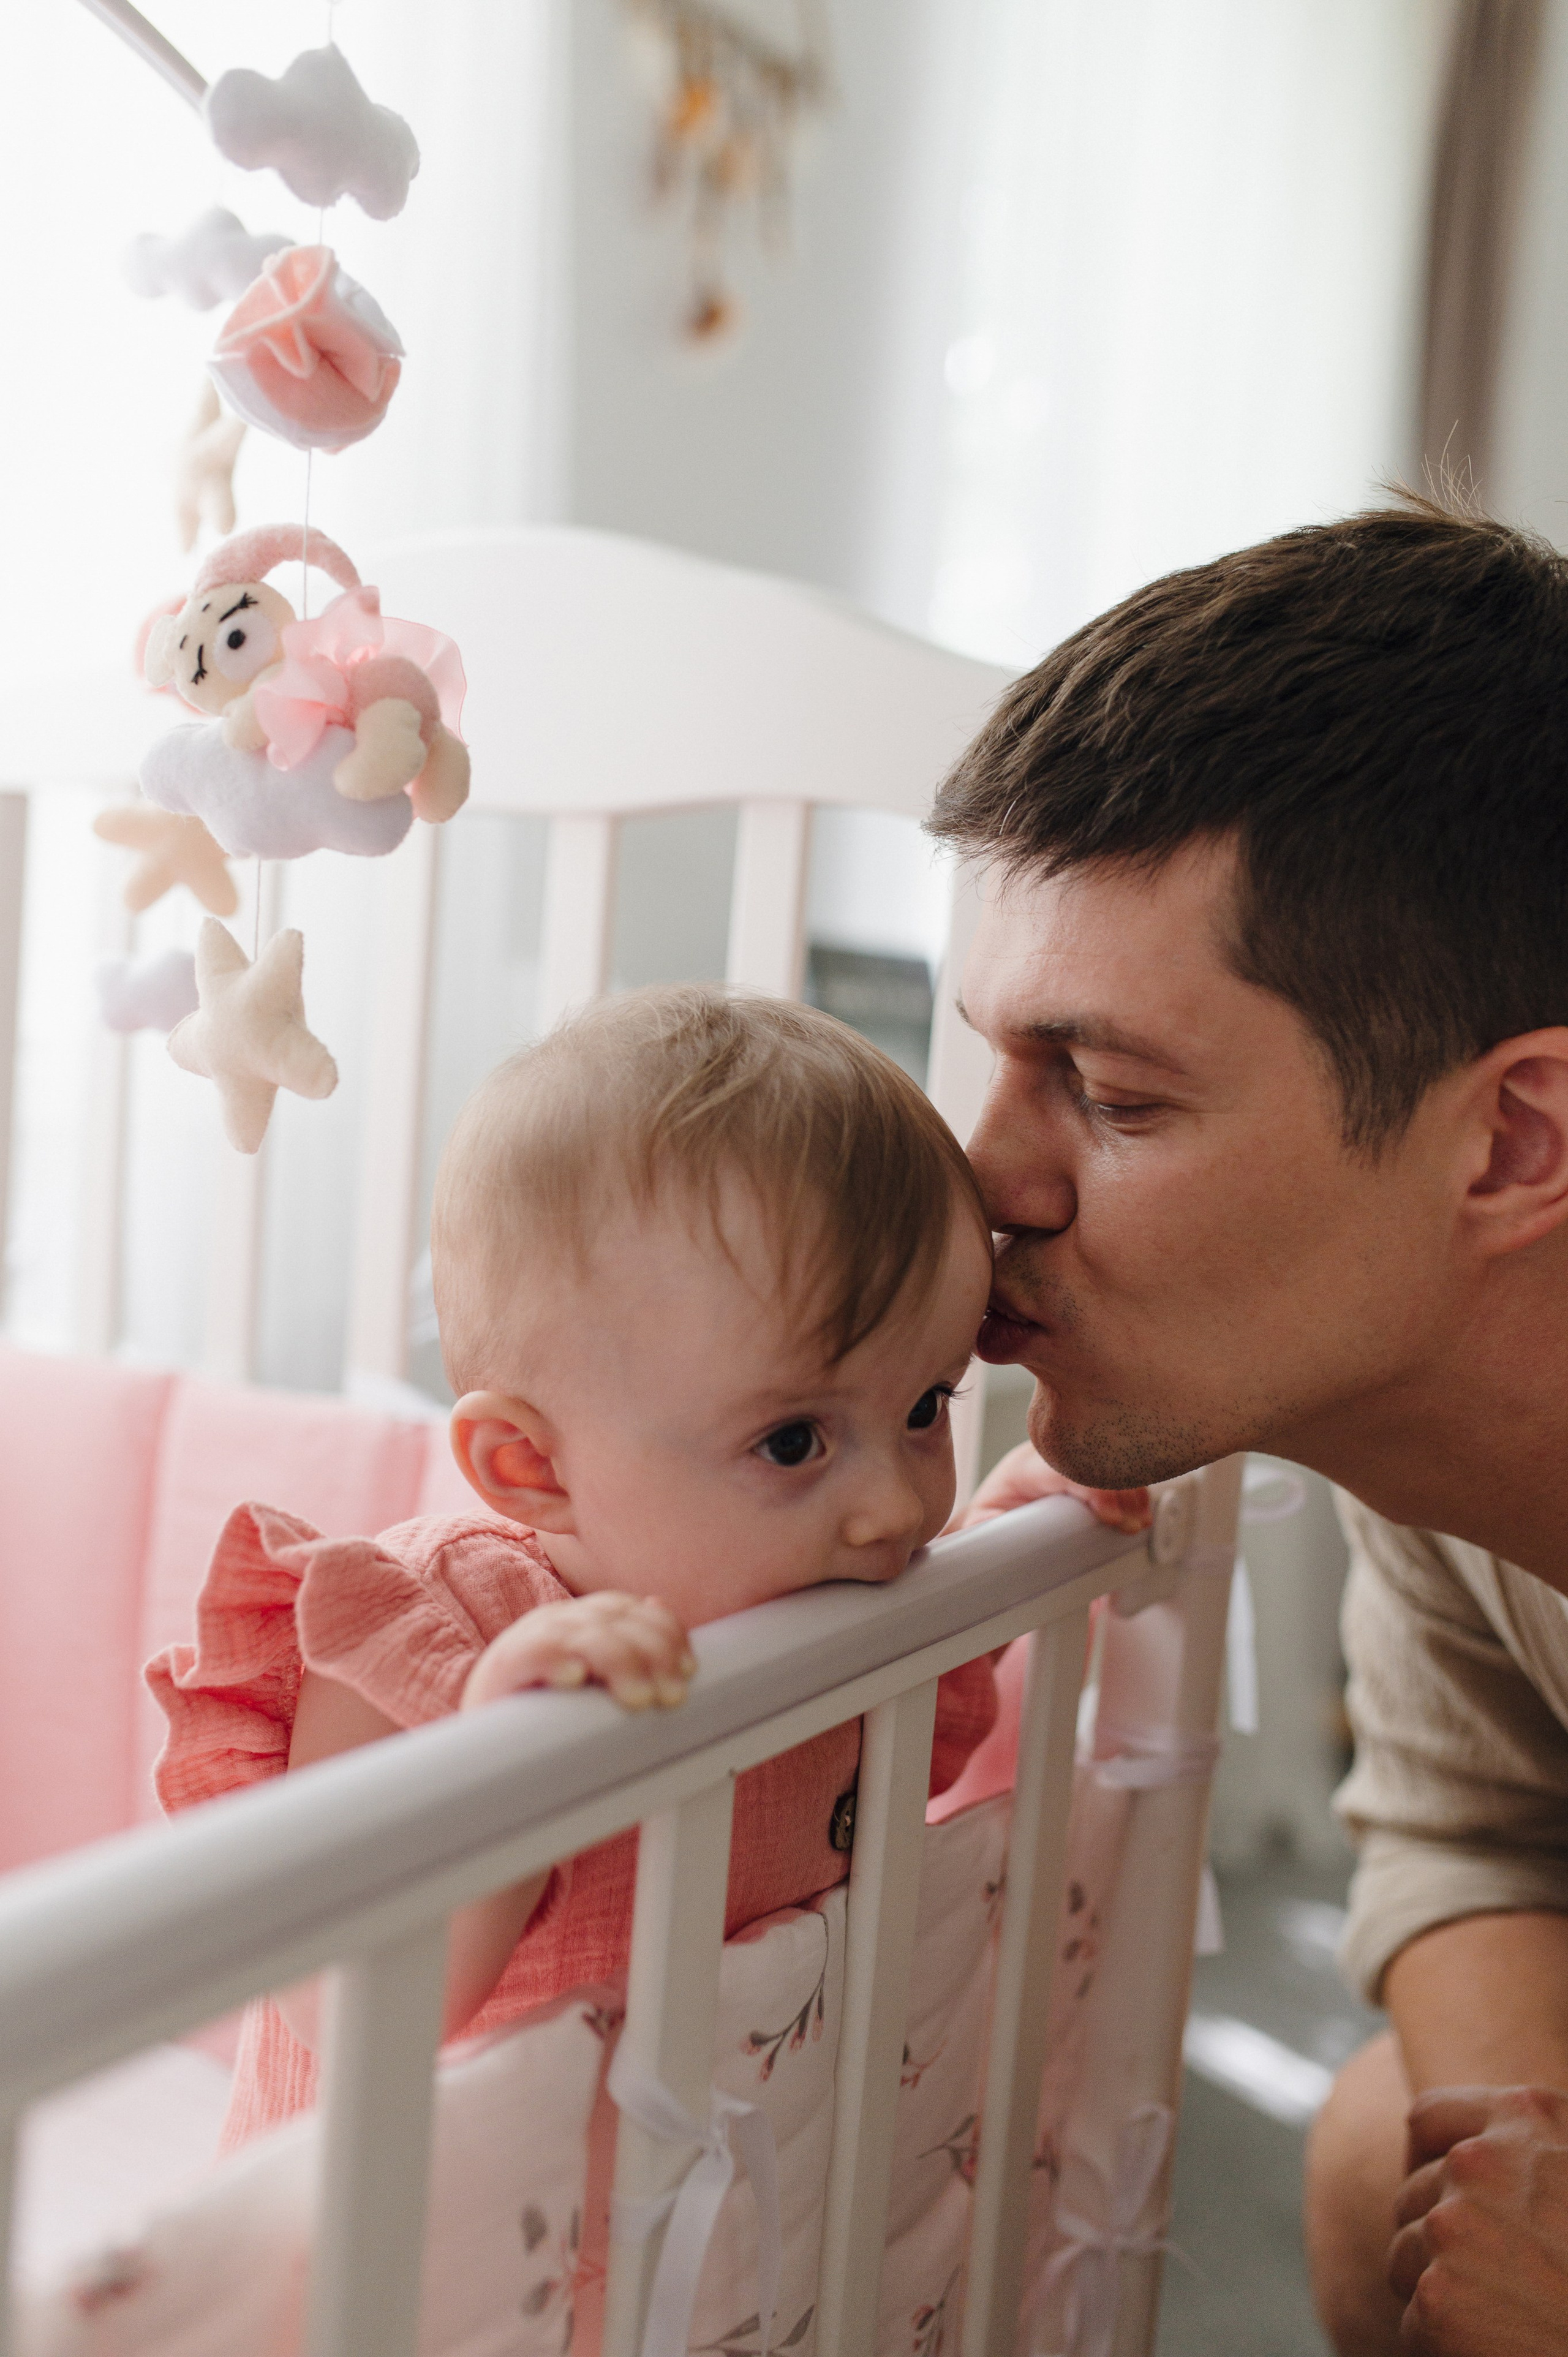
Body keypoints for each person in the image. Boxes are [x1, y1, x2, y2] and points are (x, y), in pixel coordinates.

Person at [932, 494, 1568, 2357]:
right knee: (1392, 2162)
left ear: (1514, 1143)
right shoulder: (1444, 1438)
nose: (987, 1172)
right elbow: (1471, 1832)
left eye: (1112, 1098)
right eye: (1001, 1054)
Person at [148, 984, 1015, 2151]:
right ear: (528, 1464)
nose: (897, 1506)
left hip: (700, 2246)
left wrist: (1019, 1522)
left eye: (926, 1407)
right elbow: (339, 2012)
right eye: (795, 1441)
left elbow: (907, 1734)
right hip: (406, 2273)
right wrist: (507, 1762)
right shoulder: (425, 1633)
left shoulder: (837, 1604)